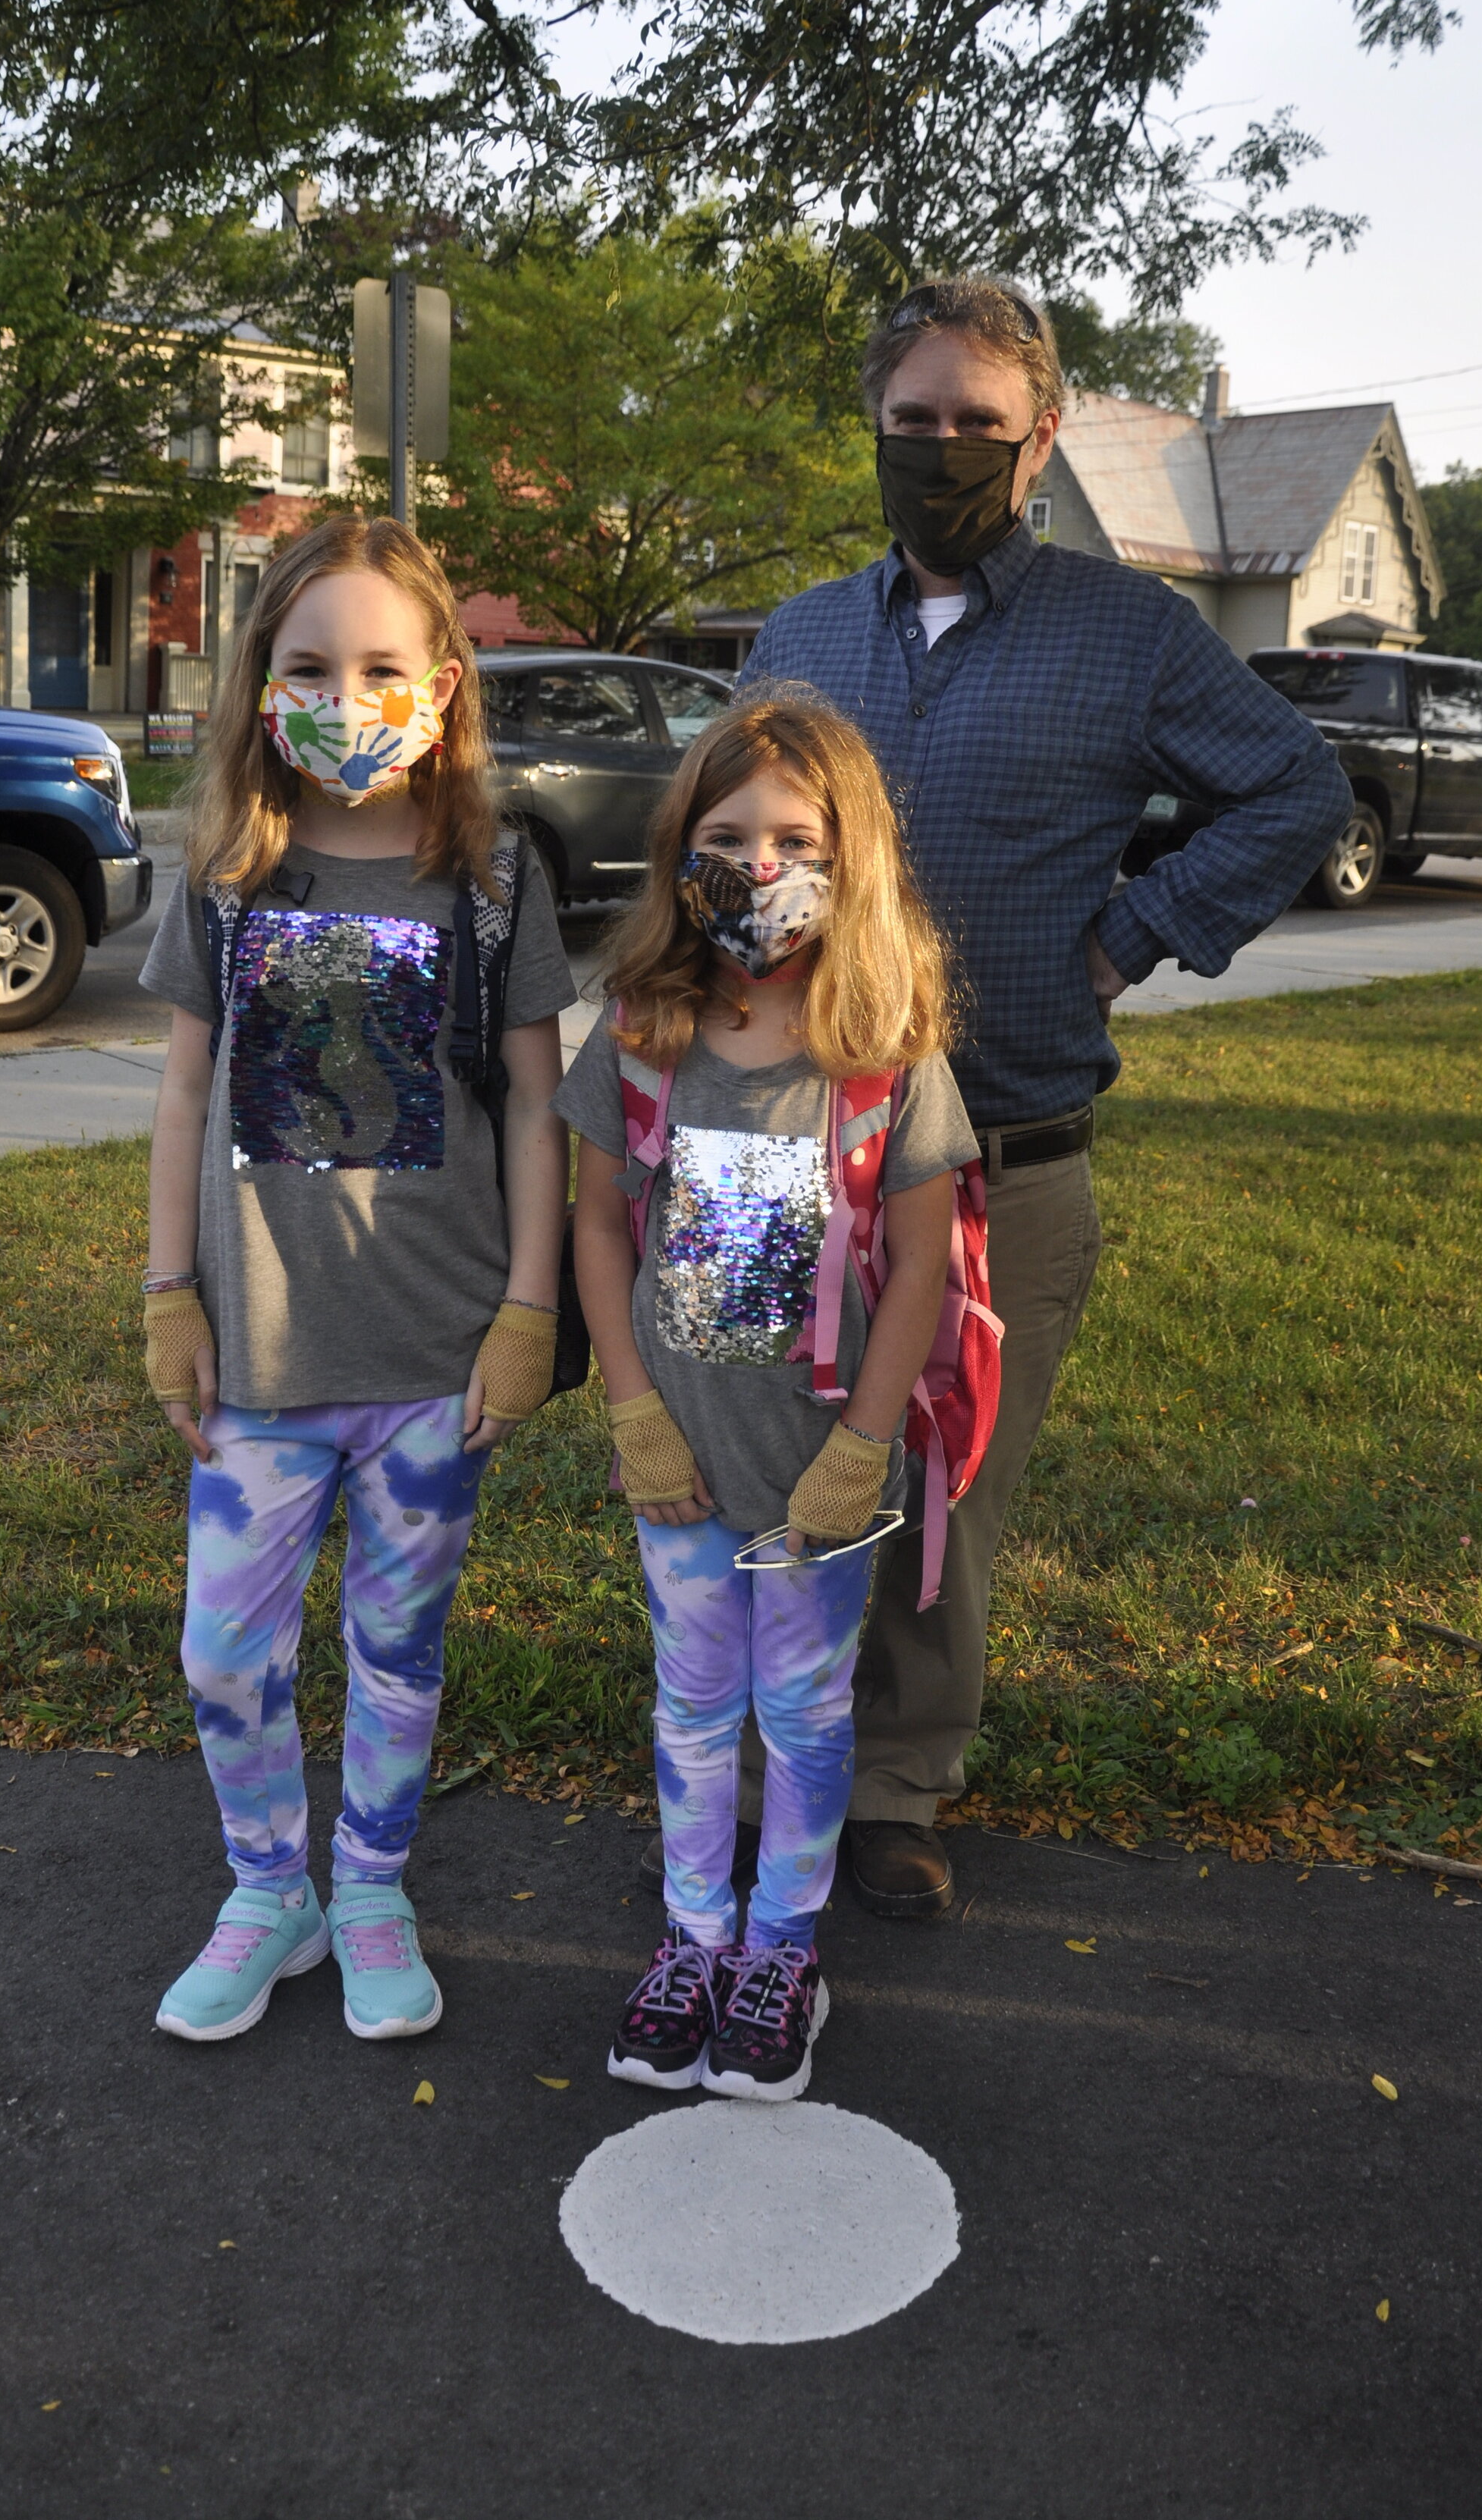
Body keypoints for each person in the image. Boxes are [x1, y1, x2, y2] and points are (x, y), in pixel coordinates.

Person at [721, 276, 1353, 1922]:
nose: (939, 451)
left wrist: (1134, 934)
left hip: (1005, 1156)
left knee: (938, 1496)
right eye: (911, 421)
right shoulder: (795, 639)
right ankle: (749, 1761)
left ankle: (895, 1790)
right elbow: (723, 855)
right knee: (765, 1466)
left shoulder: (1127, 631)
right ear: (873, 427)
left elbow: (1294, 785)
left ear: (1038, 437)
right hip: (790, 1154)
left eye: (976, 426)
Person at [138, 515, 575, 2046]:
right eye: (311, 664)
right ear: (260, 681)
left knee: (396, 1652)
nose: (346, 693)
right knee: (222, 1648)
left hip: (431, 1361)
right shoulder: (230, 872)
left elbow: (535, 1106)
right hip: (259, 1354)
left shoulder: (496, 879)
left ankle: (372, 1883)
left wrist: (529, 1310)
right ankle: (272, 1891)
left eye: (382, 666)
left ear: (443, 685)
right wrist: (164, 1294)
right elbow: (185, 1098)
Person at [558, 689, 977, 2099]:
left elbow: (920, 1262)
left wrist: (859, 1451)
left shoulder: (885, 1048)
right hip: (677, 1457)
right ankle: (694, 1938)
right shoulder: (641, 1034)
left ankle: (781, 1953)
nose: (759, 864)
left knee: (801, 1711)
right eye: (727, 834)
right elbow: (601, 1225)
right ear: (679, 852)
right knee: (691, 1705)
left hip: (819, 1477)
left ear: (851, 856)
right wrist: (630, 1408)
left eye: (795, 835)